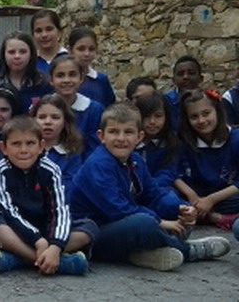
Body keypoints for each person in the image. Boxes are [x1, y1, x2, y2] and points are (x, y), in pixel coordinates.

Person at [71, 103, 229, 271]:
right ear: (101, 136)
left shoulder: (136, 160)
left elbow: (153, 193)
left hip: (122, 226)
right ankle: (188, 250)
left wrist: (181, 208)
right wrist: (161, 222)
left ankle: (141, 253)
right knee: (144, 223)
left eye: (128, 132)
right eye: (114, 132)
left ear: (139, 137)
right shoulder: (98, 165)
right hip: (95, 232)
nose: (121, 138)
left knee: (167, 210)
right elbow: (117, 209)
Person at [0, 116, 93, 275]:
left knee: (89, 227)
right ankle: (50, 261)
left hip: (46, 229)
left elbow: (60, 209)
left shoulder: (51, 170)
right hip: (15, 231)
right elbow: (7, 210)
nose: (23, 150)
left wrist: (55, 246)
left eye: (30, 143)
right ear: (3, 148)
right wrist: (37, 240)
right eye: (16, 144)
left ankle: (21, 259)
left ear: (41, 146)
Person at [174, 90, 239, 233]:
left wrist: (211, 199)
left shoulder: (235, 138)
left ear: (217, 111)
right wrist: (192, 195)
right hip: (194, 198)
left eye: (206, 113)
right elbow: (172, 172)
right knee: (171, 200)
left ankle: (207, 216)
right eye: (194, 117)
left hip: (225, 197)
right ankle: (215, 218)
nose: (201, 121)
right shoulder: (182, 141)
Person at [49, 55, 106, 157]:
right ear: (51, 80)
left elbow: (95, 147)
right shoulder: (42, 108)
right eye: (60, 75)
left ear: (81, 78)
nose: (66, 80)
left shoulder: (94, 110)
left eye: (72, 75)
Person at [32, 94, 84, 192]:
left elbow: (70, 188)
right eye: (42, 117)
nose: (48, 122)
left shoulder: (72, 154)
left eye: (55, 117)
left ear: (65, 122)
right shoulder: (25, 150)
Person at [0, 31, 53, 113]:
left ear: (31, 54)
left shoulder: (43, 84)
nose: (17, 56)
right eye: (11, 52)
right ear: (4, 55)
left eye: (23, 52)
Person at [134, 93, 180, 190]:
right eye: (146, 116)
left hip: (160, 189)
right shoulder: (130, 142)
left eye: (158, 116)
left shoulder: (171, 143)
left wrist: (151, 186)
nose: (152, 121)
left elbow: (169, 171)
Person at [67, 27, 116, 107]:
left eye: (91, 49)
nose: (87, 54)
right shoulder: (62, 80)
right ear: (70, 50)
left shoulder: (101, 80)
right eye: (81, 49)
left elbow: (110, 108)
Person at [165, 55, 203, 129]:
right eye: (180, 74)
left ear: (201, 78)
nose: (186, 77)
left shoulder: (209, 100)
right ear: (174, 80)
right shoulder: (166, 102)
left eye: (191, 73)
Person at [31, 9, 68, 76]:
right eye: (38, 31)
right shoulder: (30, 62)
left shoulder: (70, 58)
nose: (44, 35)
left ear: (59, 33)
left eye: (49, 29)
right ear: (33, 35)